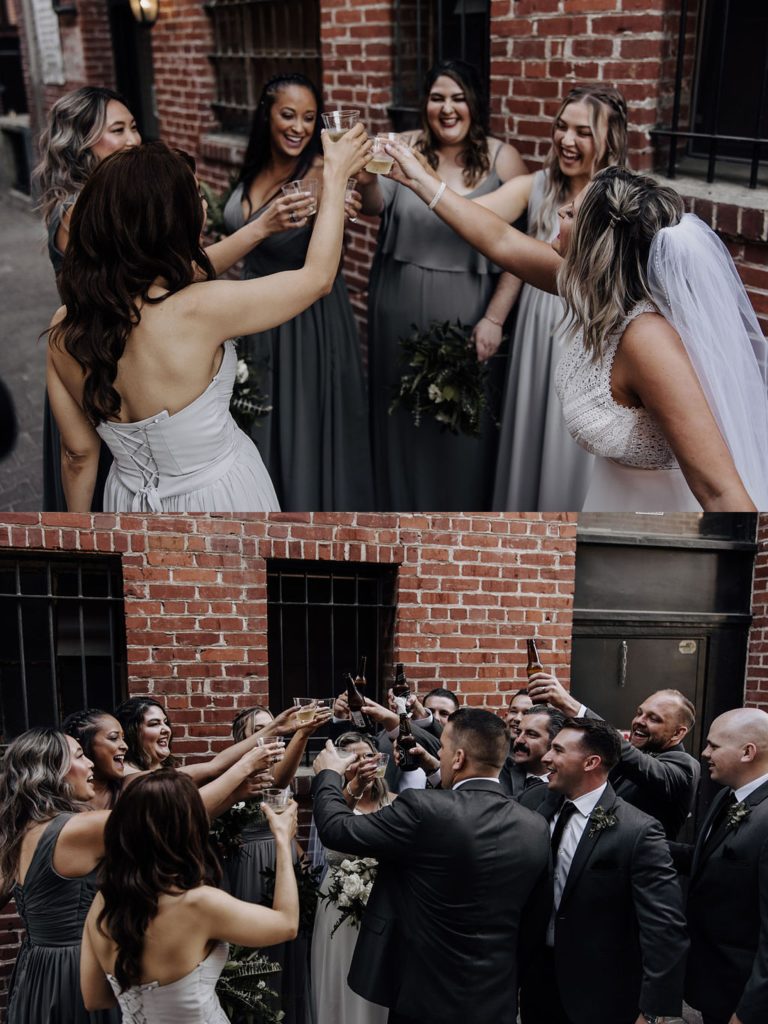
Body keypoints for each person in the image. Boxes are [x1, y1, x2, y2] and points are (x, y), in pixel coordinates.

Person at [384, 144, 768, 511]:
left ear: (597, 243)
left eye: (572, 213)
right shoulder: (598, 290)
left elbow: (721, 492)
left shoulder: (648, 341)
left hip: (660, 516)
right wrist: (419, 179)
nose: (562, 209)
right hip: (609, 501)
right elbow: (500, 239)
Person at [46, 132, 371, 513]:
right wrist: (334, 175)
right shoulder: (202, 309)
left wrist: (85, 545)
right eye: (195, 198)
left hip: (126, 504)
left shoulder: (63, 328)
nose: (202, 206)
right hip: (221, 499)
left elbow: (78, 454)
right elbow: (317, 279)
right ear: (169, 223)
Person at [0, 728, 261, 1024]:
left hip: (35, 973)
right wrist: (244, 767)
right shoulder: (78, 829)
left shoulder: (18, 831)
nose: (90, 765)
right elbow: (169, 819)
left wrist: (233, 794)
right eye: (79, 756)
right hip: (81, 970)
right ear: (51, 772)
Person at [357, 59, 527, 510]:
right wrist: (365, 174)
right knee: (400, 418)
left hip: (472, 314)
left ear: (474, 104)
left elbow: (521, 250)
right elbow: (374, 206)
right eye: (437, 98)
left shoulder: (502, 158)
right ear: (424, 105)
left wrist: (494, 318)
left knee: (462, 424)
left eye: (457, 98)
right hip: (397, 303)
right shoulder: (405, 146)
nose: (447, 109)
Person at [311, 707, 552, 1024]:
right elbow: (535, 920)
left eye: (443, 747)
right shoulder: (534, 825)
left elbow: (336, 830)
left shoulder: (422, 808)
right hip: (494, 998)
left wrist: (327, 774)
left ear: (458, 758)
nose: (439, 752)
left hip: (422, 996)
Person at [223, 72, 374, 511]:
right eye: (287, 114)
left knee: (301, 424)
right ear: (266, 115)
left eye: (309, 118)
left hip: (306, 322)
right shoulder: (253, 167)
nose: (298, 127)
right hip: (249, 317)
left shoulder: (327, 173)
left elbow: (365, 203)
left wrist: (351, 187)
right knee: (256, 424)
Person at [475, 85, 628, 511]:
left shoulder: (619, 200)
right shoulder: (539, 185)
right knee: (532, 422)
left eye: (582, 132)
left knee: (571, 434)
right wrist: (494, 317)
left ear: (609, 140)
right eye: (561, 127)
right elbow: (489, 225)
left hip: (588, 330)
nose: (566, 140)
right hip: (537, 327)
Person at [79, 770, 299, 1023]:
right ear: (188, 828)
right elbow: (287, 924)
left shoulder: (103, 900)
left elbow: (94, 998)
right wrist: (282, 840)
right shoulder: (198, 903)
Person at [520, 716, 689, 1024]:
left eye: (558, 750)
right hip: (537, 981)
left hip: (603, 992)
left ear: (591, 762)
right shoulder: (533, 802)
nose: (546, 758)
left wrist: (653, 1009)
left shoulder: (637, 830)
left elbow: (663, 927)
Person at [34, 86, 141, 512]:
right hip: (98, 366)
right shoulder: (80, 211)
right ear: (80, 144)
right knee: (97, 478)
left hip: (109, 353)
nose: (133, 139)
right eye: (118, 130)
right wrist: (257, 232)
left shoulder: (101, 200)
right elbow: (148, 285)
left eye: (134, 126)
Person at [220, 702, 331, 1024]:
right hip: (246, 870)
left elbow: (281, 783)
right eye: (259, 730)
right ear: (241, 740)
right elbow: (278, 783)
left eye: (272, 728)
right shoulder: (236, 774)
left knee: (286, 951)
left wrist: (303, 862)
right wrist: (302, 734)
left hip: (282, 865)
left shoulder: (274, 769)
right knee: (254, 954)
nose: (272, 736)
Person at [678, 708, 768, 1024]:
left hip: (746, 996)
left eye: (714, 746)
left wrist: (748, 1012)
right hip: (716, 984)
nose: (704, 753)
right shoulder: (727, 797)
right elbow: (708, 861)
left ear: (748, 752)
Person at [528, 673, 700, 838]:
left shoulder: (684, 766)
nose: (639, 721)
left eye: (653, 719)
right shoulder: (634, 752)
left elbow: (637, 762)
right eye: (639, 713)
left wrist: (573, 707)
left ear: (678, 733)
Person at [311, 732, 394, 1024]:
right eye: (354, 758)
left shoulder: (397, 804)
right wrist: (354, 789)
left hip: (384, 905)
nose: (363, 763)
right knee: (340, 978)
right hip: (339, 906)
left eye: (368, 756)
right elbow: (333, 833)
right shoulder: (334, 804)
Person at [500, 705, 564, 799]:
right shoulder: (500, 772)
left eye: (531, 734)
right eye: (518, 733)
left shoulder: (566, 782)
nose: (518, 740)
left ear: (554, 740)